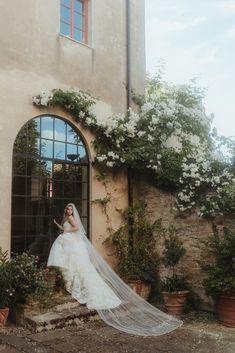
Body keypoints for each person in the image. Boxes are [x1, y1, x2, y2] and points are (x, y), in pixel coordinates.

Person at [47, 203, 183, 336]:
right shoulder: (66, 219)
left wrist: (65, 230)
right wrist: (59, 226)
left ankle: (86, 290)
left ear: (72, 211)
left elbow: (76, 228)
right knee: (77, 267)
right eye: (68, 209)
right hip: (72, 243)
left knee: (78, 267)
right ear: (66, 210)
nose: (70, 211)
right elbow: (67, 228)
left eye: (71, 210)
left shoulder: (71, 219)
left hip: (72, 243)